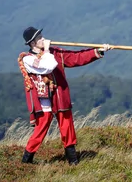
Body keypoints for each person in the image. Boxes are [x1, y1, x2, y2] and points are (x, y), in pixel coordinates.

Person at [18, 26, 112, 165]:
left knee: (67, 125)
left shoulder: (55, 52)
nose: (43, 39)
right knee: (42, 127)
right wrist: (48, 50)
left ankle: (72, 160)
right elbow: (47, 66)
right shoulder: (28, 59)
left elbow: (76, 57)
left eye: (42, 36)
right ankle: (27, 160)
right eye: (39, 38)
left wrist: (97, 51)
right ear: (32, 43)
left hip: (59, 94)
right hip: (43, 98)